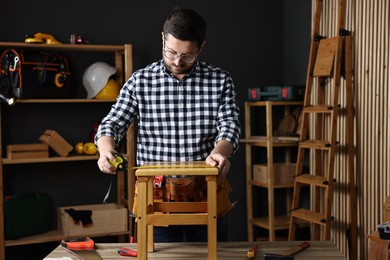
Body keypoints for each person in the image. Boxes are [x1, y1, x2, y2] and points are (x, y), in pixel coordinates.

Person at [95, 7, 241, 242]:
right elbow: (111, 124)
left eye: (187, 55)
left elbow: (230, 126)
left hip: (205, 193)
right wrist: (105, 150)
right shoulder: (140, 81)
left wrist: (220, 152)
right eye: (171, 51)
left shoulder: (220, 80)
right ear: (163, 39)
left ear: (201, 46)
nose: (177, 61)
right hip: (155, 197)